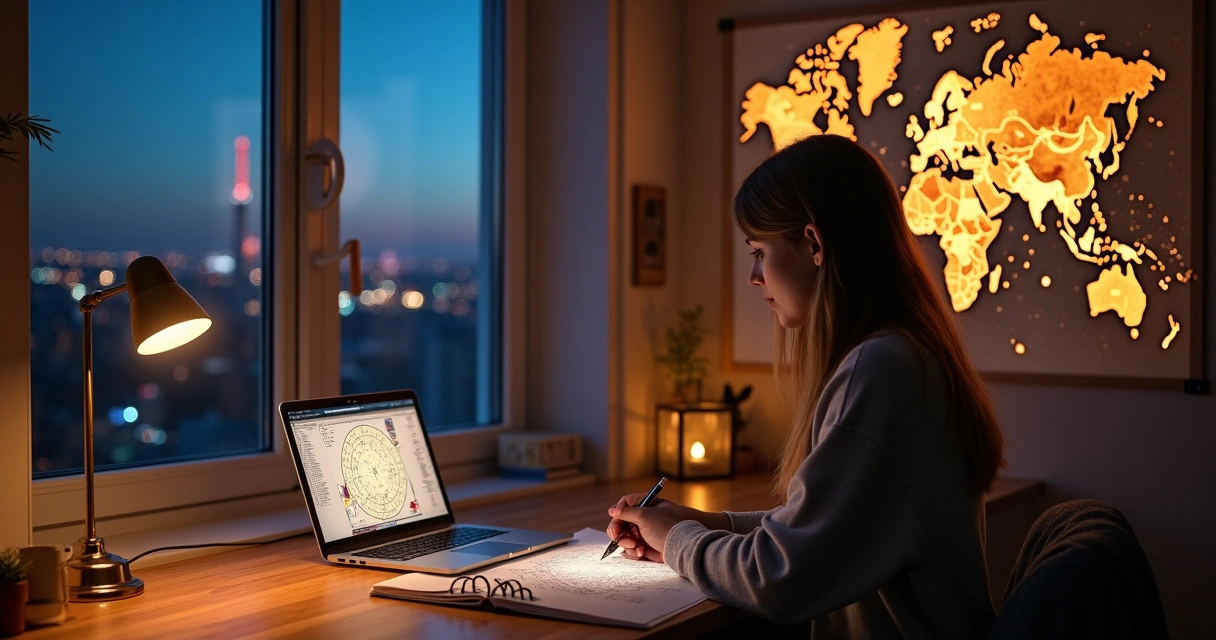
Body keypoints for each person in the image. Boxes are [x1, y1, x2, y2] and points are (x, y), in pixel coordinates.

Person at [606, 134, 1006, 638]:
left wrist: (679, 539)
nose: (754, 277)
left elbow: (781, 576)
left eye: (759, 252)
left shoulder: (881, 370)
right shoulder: (907, 356)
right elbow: (828, 531)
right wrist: (710, 524)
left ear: (814, 245)